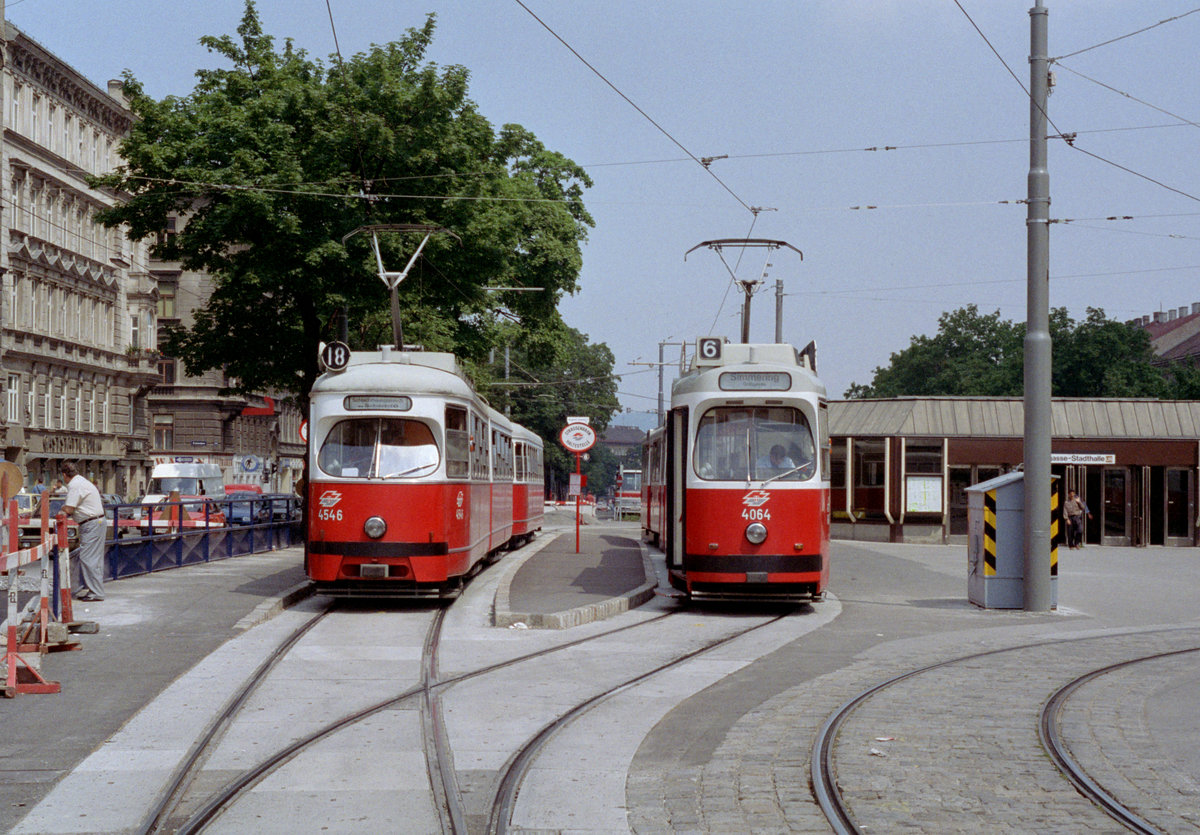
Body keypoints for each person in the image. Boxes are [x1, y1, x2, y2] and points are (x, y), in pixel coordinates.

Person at [59, 461, 106, 601]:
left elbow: (69, 508)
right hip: (96, 521)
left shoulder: (74, 485)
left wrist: (61, 508)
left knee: (87, 558)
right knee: (95, 559)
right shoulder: (82, 481)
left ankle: (96, 593)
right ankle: (95, 590)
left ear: (64, 475)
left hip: (91, 524)